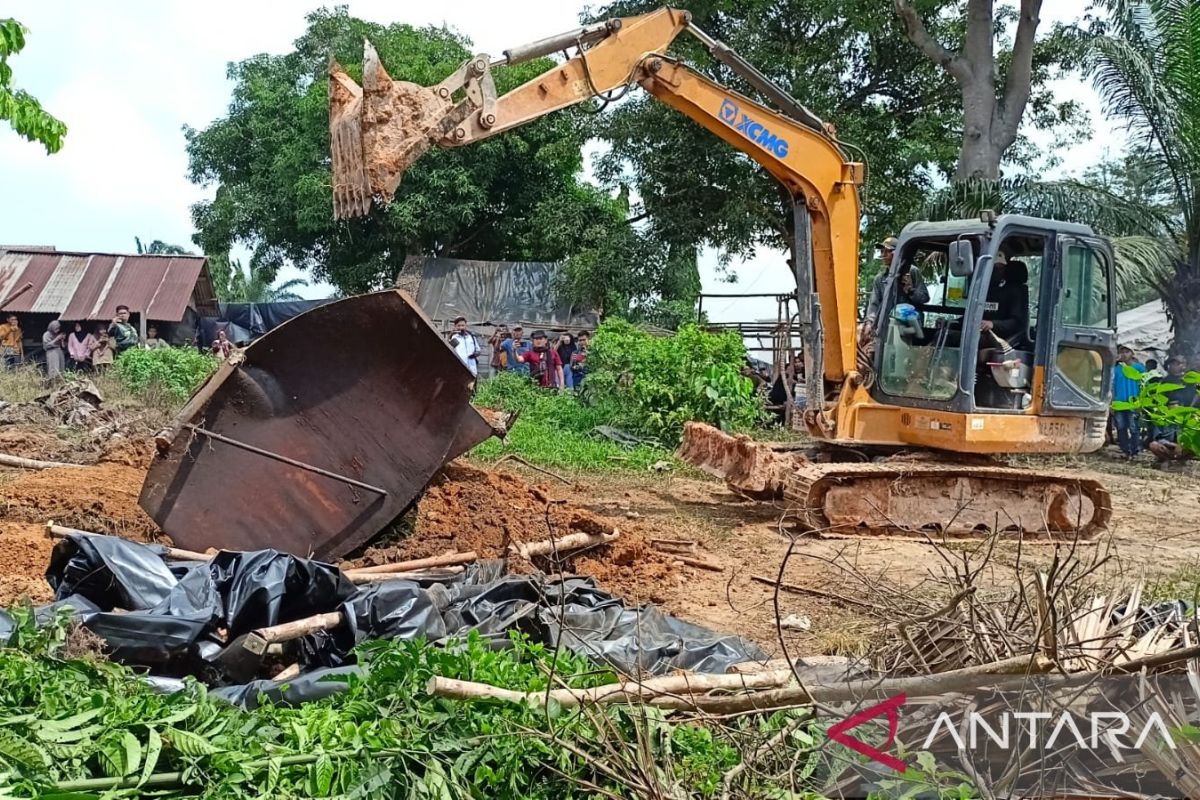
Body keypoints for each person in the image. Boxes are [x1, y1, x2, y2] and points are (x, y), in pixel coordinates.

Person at [860, 236, 929, 343]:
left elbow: (924, 297)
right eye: (882, 251)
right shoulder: (880, 279)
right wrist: (869, 323)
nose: (883, 255)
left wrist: (910, 290)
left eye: (887, 251)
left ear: (897, 253)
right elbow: (874, 304)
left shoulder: (912, 271)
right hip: (887, 326)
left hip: (910, 325)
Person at [1147, 355, 1197, 466]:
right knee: (1154, 445)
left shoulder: (1189, 384)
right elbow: (1157, 435)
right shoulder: (1164, 382)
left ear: (1184, 365)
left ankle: (1181, 461)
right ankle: (1165, 459)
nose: (1176, 366)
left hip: (1183, 443)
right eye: (1174, 364)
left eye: (1179, 363)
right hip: (1169, 445)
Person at [980, 253, 1030, 346]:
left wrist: (993, 324)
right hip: (983, 332)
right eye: (994, 268)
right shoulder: (991, 290)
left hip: (1000, 337)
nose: (997, 271)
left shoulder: (1016, 292)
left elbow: (1017, 323)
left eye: (1000, 268)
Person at [1111, 345, 1146, 459]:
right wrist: (1112, 403)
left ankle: (1134, 450)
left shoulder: (1140, 368)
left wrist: (1142, 403)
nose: (1124, 354)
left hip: (1134, 404)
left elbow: (1144, 386)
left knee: (1134, 428)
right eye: (1122, 352)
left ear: (1132, 354)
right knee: (1121, 427)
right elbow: (1112, 387)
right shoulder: (1116, 370)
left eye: (1127, 352)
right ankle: (1125, 450)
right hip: (1119, 403)